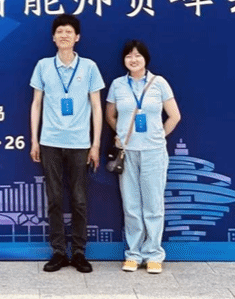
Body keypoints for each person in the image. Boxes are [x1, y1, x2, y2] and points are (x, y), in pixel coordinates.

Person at [29, 14, 105, 273]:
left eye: (69, 31)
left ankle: (80, 253)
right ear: (53, 37)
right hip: (49, 141)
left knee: (79, 199)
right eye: (59, 31)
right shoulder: (43, 66)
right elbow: (36, 104)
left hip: (80, 142)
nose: (64, 35)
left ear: (77, 37)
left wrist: (95, 144)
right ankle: (59, 252)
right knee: (54, 198)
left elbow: (97, 107)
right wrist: (34, 140)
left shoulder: (89, 67)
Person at [105, 40, 181, 274]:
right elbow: (110, 116)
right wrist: (121, 136)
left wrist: (159, 136)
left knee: (153, 205)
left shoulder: (159, 83)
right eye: (129, 56)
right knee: (131, 205)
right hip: (127, 153)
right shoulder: (118, 85)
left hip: (153, 152)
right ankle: (133, 254)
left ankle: (153, 254)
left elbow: (174, 116)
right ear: (124, 60)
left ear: (145, 58)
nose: (133, 59)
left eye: (138, 55)